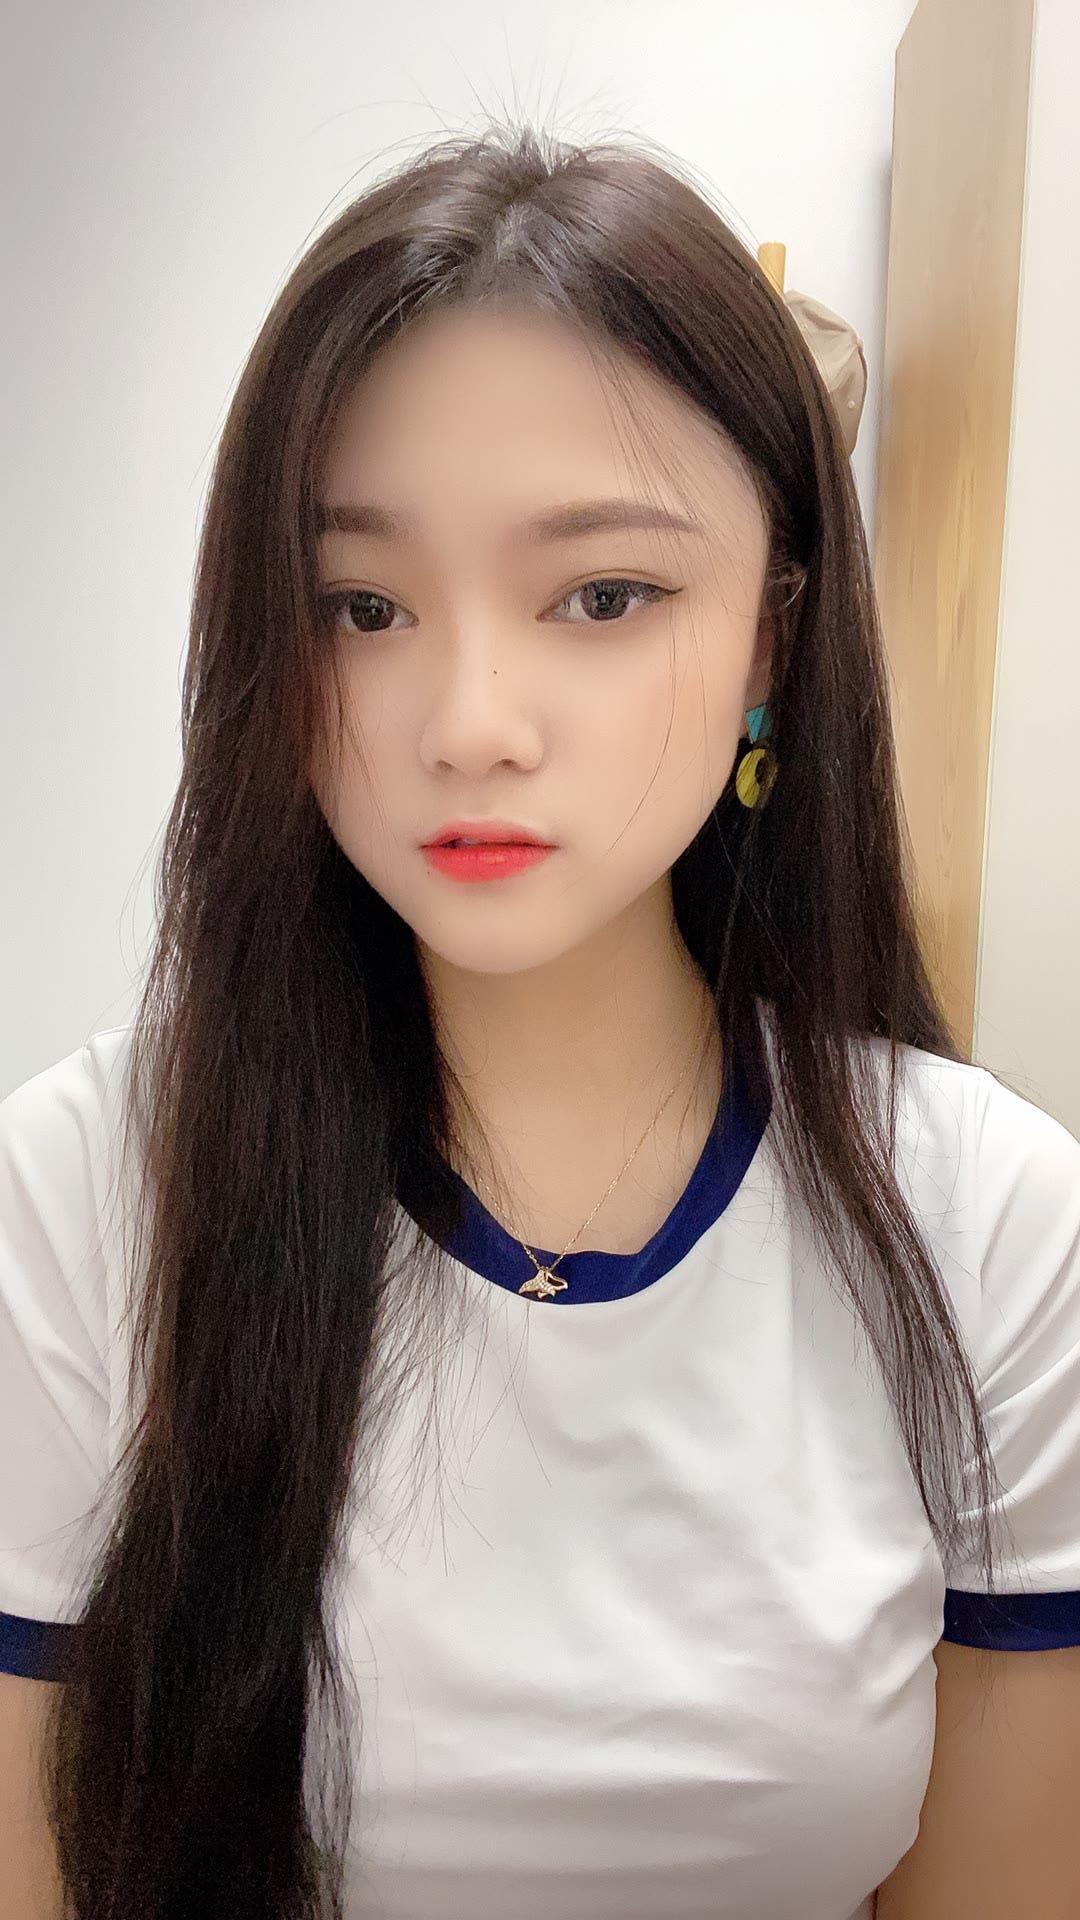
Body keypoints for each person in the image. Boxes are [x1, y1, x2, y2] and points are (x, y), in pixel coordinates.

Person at [2, 121, 1079, 1920]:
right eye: (364, 607)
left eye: (602, 595)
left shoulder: (986, 1219)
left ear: (774, 635)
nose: (469, 722)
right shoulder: (86, 1189)